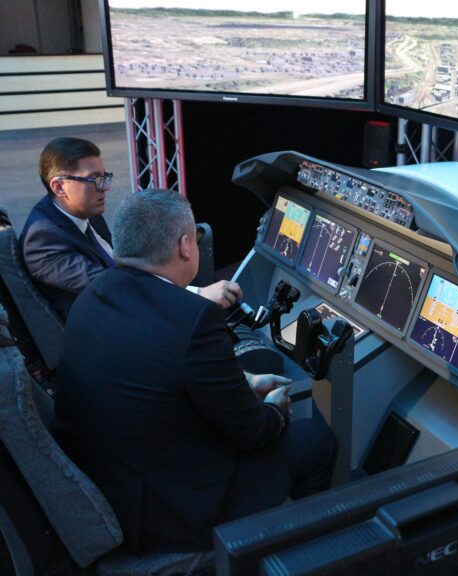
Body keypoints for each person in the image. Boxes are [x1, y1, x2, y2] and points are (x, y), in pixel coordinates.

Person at [54, 189, 338, 554]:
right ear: (186, 246)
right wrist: (275, 409)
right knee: (316, 439)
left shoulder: (92, 295)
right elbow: (252, 432)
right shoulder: (193, 317)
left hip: (107, 490)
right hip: (168, 515)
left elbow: (157, 372)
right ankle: (297, 556)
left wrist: (246, 382)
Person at [20, 136, 242, 319]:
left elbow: (124, 265)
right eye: (94, 180)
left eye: (105, 177)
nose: (105, 188)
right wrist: (196, 294)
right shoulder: (42, 238)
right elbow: (113, 287)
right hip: (107, 329)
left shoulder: (83, 209)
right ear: (59, 187)